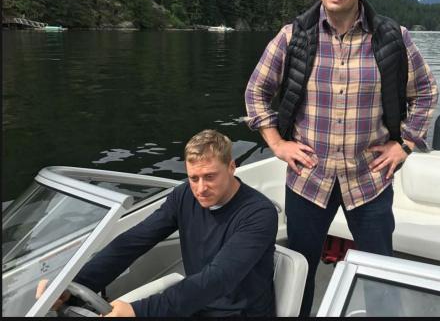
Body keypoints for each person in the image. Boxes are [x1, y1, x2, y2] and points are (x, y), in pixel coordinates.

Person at [244, 0, 438, 316]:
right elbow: (256, 91)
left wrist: (405, 145)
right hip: (308, 177)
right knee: (300, 271)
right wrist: (277, 143)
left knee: (381, 273)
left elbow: (426, 92)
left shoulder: (392, 37)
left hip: (369, 178)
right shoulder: (293, 36)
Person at [36, 129, 278, 317]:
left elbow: (218, 279)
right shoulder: (184, 196)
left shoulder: (259, 214)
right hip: (196, 306)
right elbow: (133, 242)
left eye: (210, 177)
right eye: (193, 178)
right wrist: (75, 285)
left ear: (232, 167)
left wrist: (139, 311)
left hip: (238, 313)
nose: (201, 188)